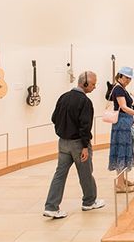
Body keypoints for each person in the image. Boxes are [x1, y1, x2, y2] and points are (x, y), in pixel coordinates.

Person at [43, 71, 105, 219]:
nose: (94, 87)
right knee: (85, 173)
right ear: (85, 83)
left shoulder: (63, 97)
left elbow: (54, 118)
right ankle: (89, 201)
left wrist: (63, 131)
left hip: (63, 143)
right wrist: (84, 146)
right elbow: (85, 127)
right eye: (93, 84)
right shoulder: (85, 102)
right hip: (79, 144)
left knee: (59, 175)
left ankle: (51, 207)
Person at [108, 66, 134, 192]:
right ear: (120, 76)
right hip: (121, 124)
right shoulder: (118, 89)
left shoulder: (122, 88)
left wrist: (132, 117)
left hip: (125, 122)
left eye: (130, 78)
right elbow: (124, 107)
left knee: (125, 150)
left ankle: (122, 179)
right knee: (122, 151)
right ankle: (119, 184)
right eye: (126, 77)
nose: (128, 80)